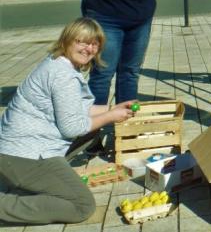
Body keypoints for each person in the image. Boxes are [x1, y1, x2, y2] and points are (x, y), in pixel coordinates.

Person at [0, 18, 136, 225]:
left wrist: (111, 108)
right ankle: (6, 206)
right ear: (67, 41)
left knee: (91, 131)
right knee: (81, 206)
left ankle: (37, 180)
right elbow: (72, 127)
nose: (88, 48)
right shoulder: (63, 75)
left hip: (15, 151)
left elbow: (76, 110)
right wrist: (110, 117)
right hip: (24, 155)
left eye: (94, 43)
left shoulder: (56, 64)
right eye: (82, 41)